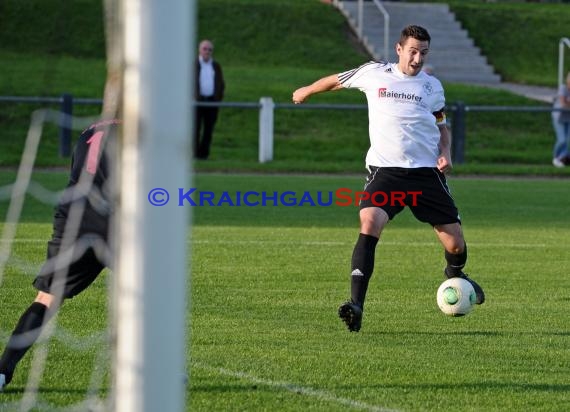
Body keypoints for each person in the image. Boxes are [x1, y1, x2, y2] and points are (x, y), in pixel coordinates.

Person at [292, 25, 485, 333]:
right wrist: (307, 90)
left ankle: (455, 274)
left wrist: (445, 152)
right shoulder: (374, 73)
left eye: (423, 53)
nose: (417, 58)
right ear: (399, 49)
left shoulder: (432, 86)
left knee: (456, 244)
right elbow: (336, 80)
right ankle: (356, 305)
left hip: (425, 174)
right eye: (412, 51)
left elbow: (442, 125)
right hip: (386, 172)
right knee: (369, 222)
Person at [0, 119, 117, 390]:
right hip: (116, 220)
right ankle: (161, 372)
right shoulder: (138, 131)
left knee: (47, 297)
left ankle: (4, 371)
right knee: (153, 298)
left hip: (74, 219)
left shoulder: (90, 129)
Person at [195, 39, 225, 159]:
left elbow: (221, 83)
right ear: (200, 50)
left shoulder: (216, 66)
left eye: (209, 49)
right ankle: (194, 154)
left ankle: (204, 154)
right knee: (195, 129)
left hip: (212, 102)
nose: (207, 51)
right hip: (197, 102)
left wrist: (218, 98)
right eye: (205, 49)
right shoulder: (194, 65)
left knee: (209, 130)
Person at [551, 71, 570, 168]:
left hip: (568, 117)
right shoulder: (563, 88)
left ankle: (563, 159)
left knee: (568, 140)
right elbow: (563, 104)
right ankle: (555, 157)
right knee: (562, 140)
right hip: (559, 117)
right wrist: (567, 103)